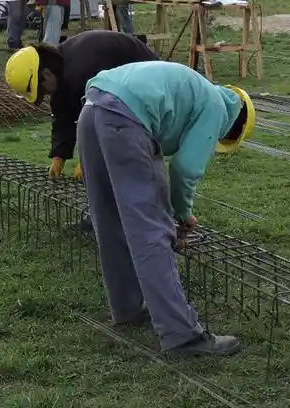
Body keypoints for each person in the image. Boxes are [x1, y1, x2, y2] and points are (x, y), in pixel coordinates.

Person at [78, 61, 256, 356]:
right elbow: (185, 169)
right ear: (236, 125)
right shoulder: (217, 109)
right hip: (125, 118)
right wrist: (181, 214)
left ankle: (127, 307)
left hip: (92, 109)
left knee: (109, 219)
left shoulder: (197, 90)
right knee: (151, 231)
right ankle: (183, 337)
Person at [2, 30, 158, 182]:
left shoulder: (84, 70)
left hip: (148, 82)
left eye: (42, 91)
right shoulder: (61, 66)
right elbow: (63, 114)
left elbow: (102, 118)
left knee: (126, 143)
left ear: (46, 75)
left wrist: (88, 160)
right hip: (125, 86)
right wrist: (59, 155)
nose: (46, 95)